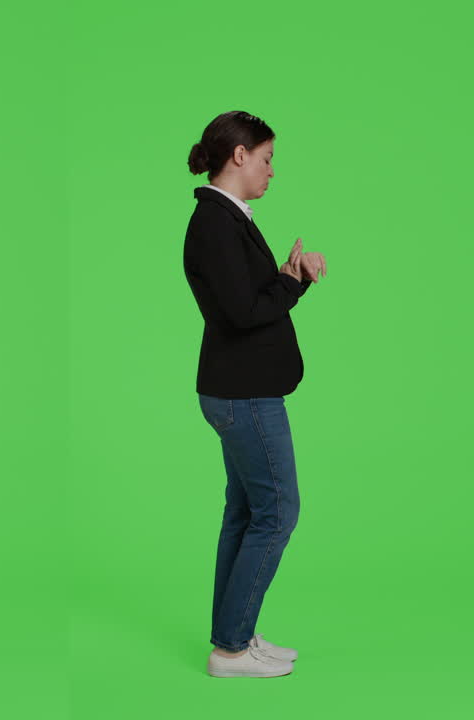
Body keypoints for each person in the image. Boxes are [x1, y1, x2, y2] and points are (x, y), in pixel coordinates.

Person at [183, 110, 327, 678]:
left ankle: (232, 636)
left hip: (238, 389)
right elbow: (244, 313)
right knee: (276, 512)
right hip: (244, 394)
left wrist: (292, 278)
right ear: (238, 155)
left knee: (245, 512)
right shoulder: (217, 223)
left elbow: (248, 299)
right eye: (266, 158)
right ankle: (232, 650)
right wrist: (293, 282)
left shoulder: (228, 218)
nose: (271, 171)